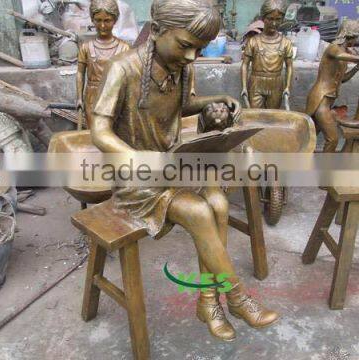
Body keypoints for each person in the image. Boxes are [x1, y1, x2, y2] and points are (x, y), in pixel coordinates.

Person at [91, 0, 279, 342]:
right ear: (158, 31)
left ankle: (208, 300)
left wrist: (216, 98)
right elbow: (99, 131)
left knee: (219, 204)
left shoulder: (181, 67)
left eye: (199, 48)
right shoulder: (124, 68)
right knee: (197, 211)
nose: (192, 56)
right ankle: (236, 297)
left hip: (175, 166)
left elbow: (184, 105)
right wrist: (139, 160)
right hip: (138, 178)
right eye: (185, 45)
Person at [306, 20, 359, 153]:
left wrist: (356, 68)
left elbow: (343, 79)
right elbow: (341, 56)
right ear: (348, 35)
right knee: (332, 139)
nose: (355, 41)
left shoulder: (344, 52)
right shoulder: (333, 48)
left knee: (309, 139)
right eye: (355, 37)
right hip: (320, 100)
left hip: (328, 102)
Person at [76, 0, 130, 129]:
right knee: (94, 132)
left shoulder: (124, 48)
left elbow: (130, 77)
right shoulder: (86, 47)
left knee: (115, 132)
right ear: (92, 20)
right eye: (98, 20)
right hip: (92, 96)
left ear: (115, 20)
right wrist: (79, 98)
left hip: (116, 95)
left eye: (107, 20)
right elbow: (80, 73)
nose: (102, 25)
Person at [241, 0, 293, 109]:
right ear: (263, 18)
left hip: (276, 83)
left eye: (278, 19)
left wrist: (287, 87)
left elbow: (289, 66)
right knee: (255, 116)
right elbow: (245, 64)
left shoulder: (285, 42)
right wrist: (244, 87)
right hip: (256, 83)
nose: (274, 23)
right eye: (270, 19)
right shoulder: (253, 41)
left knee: (272, 117)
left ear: (282, 19)